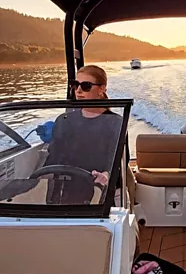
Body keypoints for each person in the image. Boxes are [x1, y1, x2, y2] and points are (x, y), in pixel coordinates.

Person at [43, 65, 135, 206]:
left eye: (86, 86)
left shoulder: (115, 123)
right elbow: (53, 158)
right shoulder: (64, 120)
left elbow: (118, 162)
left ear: (102, 89)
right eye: (75, 85)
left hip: (105, 193)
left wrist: (106, 175)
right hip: (67, 192)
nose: (78, 90)